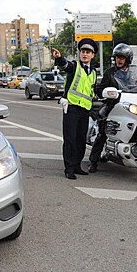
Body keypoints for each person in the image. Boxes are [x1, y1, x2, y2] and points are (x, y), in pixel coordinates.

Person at [52, 38, 98, 180]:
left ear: (93, 55)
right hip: (72, 108)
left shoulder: (94, 72)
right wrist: (59, 58)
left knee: (80, 140)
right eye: (83, 51)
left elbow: (92, 91)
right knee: (70, 139)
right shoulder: (75, 66)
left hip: (85, 109)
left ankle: (77, 165)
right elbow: (65, 66)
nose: (85, 54)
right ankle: (69, 168)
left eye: (88, 52)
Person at [88, 43, 133, 173]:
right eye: (117, 57)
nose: (119, 60)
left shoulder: (134, 72)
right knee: (103, 132)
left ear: (128, 59)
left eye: (122, 58)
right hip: (112, 105)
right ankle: (93, 161)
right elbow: (101, 89)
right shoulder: (110, 73)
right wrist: (108, 93)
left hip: (128, 105)